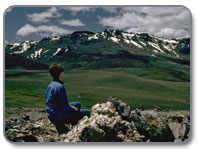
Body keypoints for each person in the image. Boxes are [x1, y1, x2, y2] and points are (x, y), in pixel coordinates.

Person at [45, 64, 90, 132]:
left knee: (77, 104)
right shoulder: (59, 87)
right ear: (60, 74)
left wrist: (71, 107)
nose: (63, 73)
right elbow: (65, 107)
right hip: (58, 116)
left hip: (51, 114)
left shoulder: (50, 85)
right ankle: (74, 130)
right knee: (87, 112)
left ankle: (72, 124)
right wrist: (72, 108)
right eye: (62, 72)